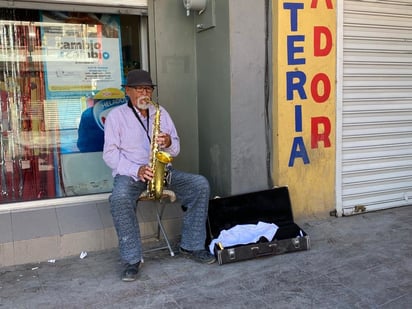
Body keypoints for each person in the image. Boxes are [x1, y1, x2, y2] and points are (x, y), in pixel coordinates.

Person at [103, 69, 216, 282]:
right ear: (128, 91)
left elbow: (176, 147)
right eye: (139, 89)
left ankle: (191, 246)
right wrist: (135, 170)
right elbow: (109, 155)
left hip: (162, 171)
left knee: (199, 185)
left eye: (148, 88)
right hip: (131, 174)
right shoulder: (116, 117)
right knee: (119, 199)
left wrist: (169, 143)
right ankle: (132, 260)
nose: (145, 93)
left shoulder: (160, 112)